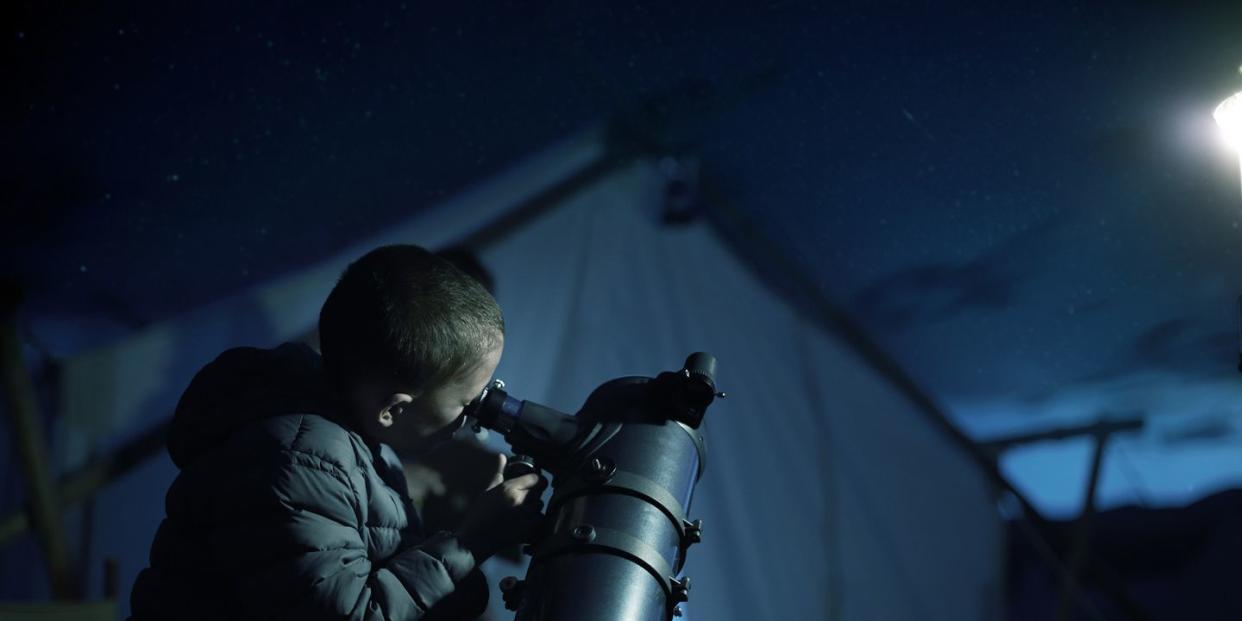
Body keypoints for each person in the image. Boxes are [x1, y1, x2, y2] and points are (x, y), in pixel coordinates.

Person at [130, 244, 545, 620]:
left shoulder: (360, 444)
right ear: (394, 409)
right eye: (466, 403)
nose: (473, 419)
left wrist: (475, 545)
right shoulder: (297, 457)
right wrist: (471, 542)